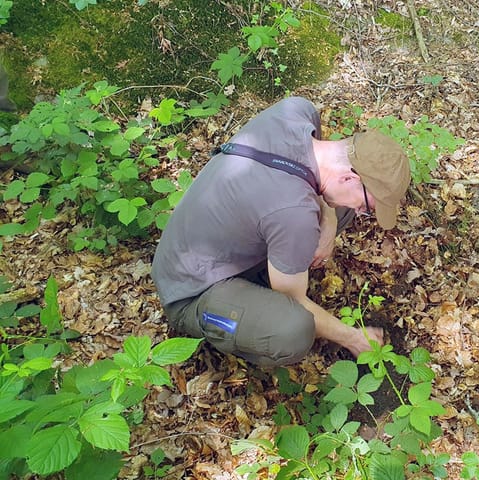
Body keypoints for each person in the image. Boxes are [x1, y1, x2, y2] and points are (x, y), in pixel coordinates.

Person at [151, 97, 411, 367]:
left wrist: (329, 221)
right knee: (293, 329)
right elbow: (294, 299)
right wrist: (353, 338)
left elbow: (315, 177)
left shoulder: (298, 112)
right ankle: (248, 330)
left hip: (211, 243)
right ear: (349, 177)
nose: (361, 212)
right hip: (190, 290)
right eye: (367, 206)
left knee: (338, 205)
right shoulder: (293, 212)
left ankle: (268, 281)